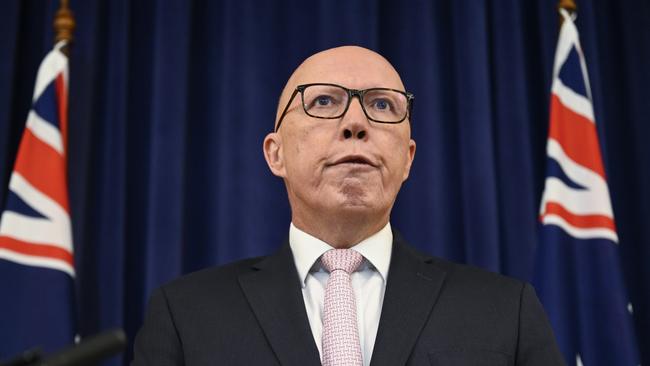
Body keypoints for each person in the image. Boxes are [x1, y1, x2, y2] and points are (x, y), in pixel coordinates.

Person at [132, 46, 565, 366]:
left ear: (408, 158)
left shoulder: (508, 311)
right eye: (323, 101)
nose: (356, 123)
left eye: (381, 105)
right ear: (275, 153)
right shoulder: (185, 315)